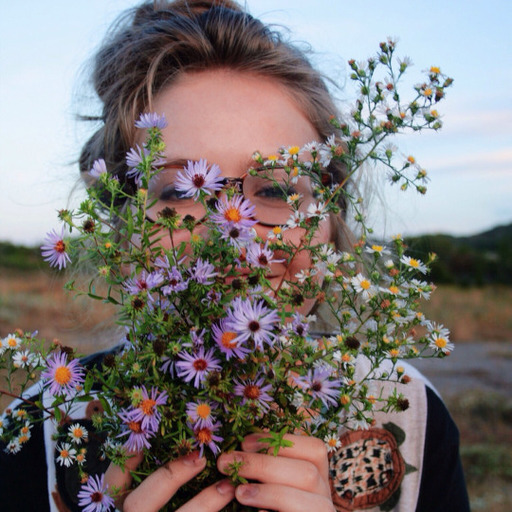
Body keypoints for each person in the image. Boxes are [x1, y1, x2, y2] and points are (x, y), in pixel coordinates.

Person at [0, 1, 470, 511]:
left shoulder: (410, 416)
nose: (233, 234)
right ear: (122, 231)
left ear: (332, 216)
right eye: (180, 191)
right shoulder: (41, 431)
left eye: (274, 188)